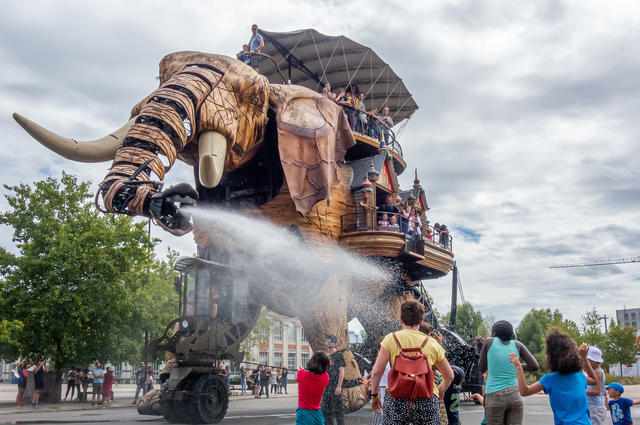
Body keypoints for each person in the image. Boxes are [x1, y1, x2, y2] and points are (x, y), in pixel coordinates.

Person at [369, 299, 453, 424]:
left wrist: (374, 395)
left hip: (396, 399)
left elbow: (376, 371)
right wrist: (439, 391)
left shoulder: (390, 339)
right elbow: (449, 375)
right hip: (427, 399)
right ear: (421, 320)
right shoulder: (431, 343)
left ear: (401, 319)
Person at [509, 329, 596, 425]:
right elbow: (594, 380)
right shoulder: (580, 376)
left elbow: (524, 391)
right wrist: (584, 358)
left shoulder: (550, 380)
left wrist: (518, 367)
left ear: (552, 357)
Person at [477, 320, 539, 425]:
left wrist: (481, 348)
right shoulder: (518, 345)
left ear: (495, 333)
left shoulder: (489, 341)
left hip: (494, 395)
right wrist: (516, 365)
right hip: (515, 395)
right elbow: (534, 366)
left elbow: (482, 367)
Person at [296, 351, 330, 425]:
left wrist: (301, 370)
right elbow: (322, 373)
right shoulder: (325, 377)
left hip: (303, 414)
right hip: (317, 415)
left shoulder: (302, 374)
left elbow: (300, 375)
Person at [322, 334, 345, 425]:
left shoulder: (338, 355)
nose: (328, 342)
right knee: (327, 411)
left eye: (330, 340)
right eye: (327, 340)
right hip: (326, 387)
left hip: (335, 387)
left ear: (335, 344)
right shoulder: (325, 356)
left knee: (338, 411)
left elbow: (342, 372)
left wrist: (339, 386)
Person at [585, 346, 607, 425]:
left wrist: (582, 392)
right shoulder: (594, 371)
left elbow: (597, 391)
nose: (586, 362)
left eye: (588, 360)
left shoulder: (598, 372)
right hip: (591, 405)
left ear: (594, 361)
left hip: (595, 408)